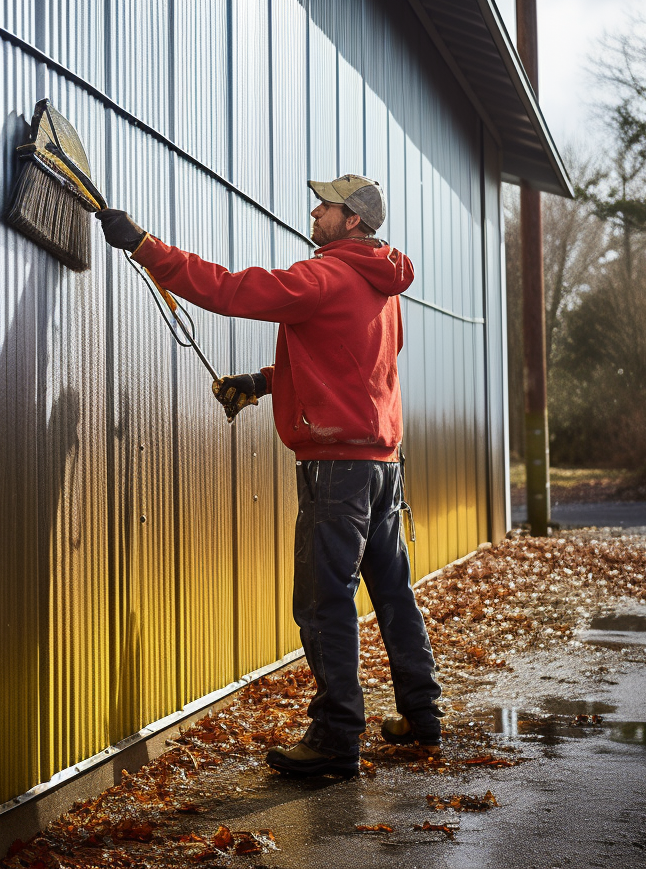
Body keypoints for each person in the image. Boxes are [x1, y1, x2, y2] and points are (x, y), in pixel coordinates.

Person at [96, 174, 442, 779]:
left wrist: (146, 246)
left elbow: (231, 291)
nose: (315, 210)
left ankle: (336, 741)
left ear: (352, 221)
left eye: (327, 206)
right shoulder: (383, 290)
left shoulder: (323, 276)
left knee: (322, 603)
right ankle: (422, 716)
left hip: (337, 474)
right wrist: (260, 382)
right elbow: (342, 362)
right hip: (382, 468)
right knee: (392, 595)